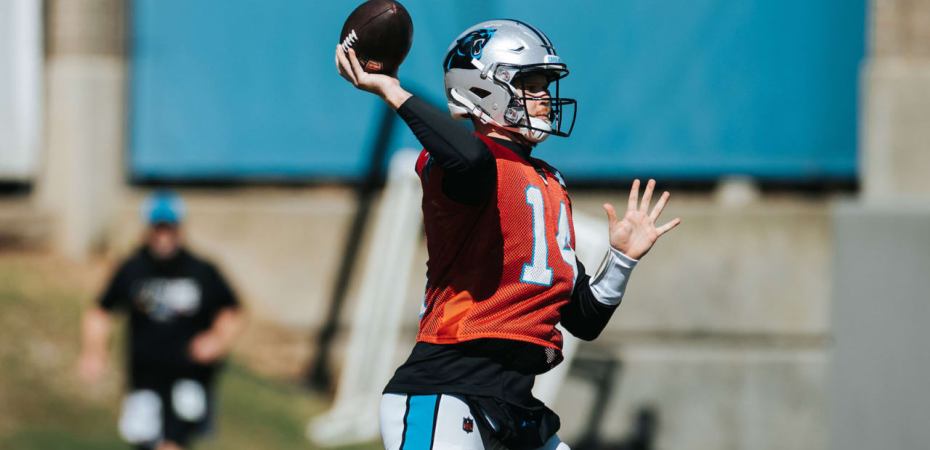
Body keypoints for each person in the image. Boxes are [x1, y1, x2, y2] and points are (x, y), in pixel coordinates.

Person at [336, 19, 681, 450]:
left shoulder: (548, 182)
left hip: (515, 404)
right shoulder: (465, 166)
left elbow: (584, 319)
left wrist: (622, 260)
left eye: (544, 87)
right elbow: (471, 157)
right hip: (448, 390)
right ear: (483, 89)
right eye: (530, 85)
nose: (544, 99)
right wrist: (392, 89)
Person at [77, 191, 246, 450]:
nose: (163, 235)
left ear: (180, 228)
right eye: (158, 228)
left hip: (188, 375)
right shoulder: (133, 269)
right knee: (143, 440)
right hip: (144, 377)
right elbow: (100, 312)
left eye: (169, 228)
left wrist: (217, 340)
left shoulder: (201, 270)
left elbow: (231, 310)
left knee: (172, 443)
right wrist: (94, 352)